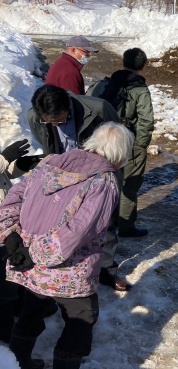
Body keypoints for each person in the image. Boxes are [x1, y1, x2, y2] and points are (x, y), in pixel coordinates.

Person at [1, 122, 134, 369]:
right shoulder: (103, 181)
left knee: (30, 311)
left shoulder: (52, 162)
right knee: (81, 319)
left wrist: (14, 238)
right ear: (121, 154)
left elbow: (14, 197)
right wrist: (38, 252)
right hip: (69, 271)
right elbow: (79, 231)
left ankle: (17, 364)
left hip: (29, 265)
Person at [27, 84, 132, 291]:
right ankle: (69, 263)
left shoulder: (99, 109)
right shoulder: (36, 116)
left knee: (105, 221)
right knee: (65, 219)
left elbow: (118, 139)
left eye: (61, 120)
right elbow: (47, 143)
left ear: (69, 104)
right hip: (66, 174)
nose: (55, 124)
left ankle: (107, 270)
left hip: (98, 172)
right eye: (50, 122)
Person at [102, 48, 154, 238]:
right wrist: (140, 144)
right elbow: (146, 120)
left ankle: (108, 220)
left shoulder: (108, 83)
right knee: (129, 185)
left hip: (108, 141)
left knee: (110, 181)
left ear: (123, 62)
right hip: (130, 142)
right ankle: (126, 226)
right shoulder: (140, 89)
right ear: (143, 65)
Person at [0, 139, 41, 344]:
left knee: (10, 278)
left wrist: (20, 166)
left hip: (4, 226)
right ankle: (7, 343)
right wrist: (3, 158)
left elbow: (2, 176)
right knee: (3, 291)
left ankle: (15, 313)